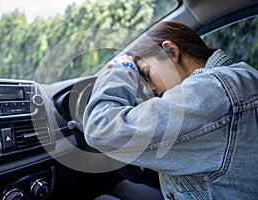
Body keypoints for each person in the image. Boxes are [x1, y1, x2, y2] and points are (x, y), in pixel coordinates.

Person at [83, 21, 258, 199]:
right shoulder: (235, 79)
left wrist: (123, 67)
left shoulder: (211, 92)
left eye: (147, 73)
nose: (150, 89)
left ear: (171, 51)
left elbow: (101, 128)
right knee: (120, 190)